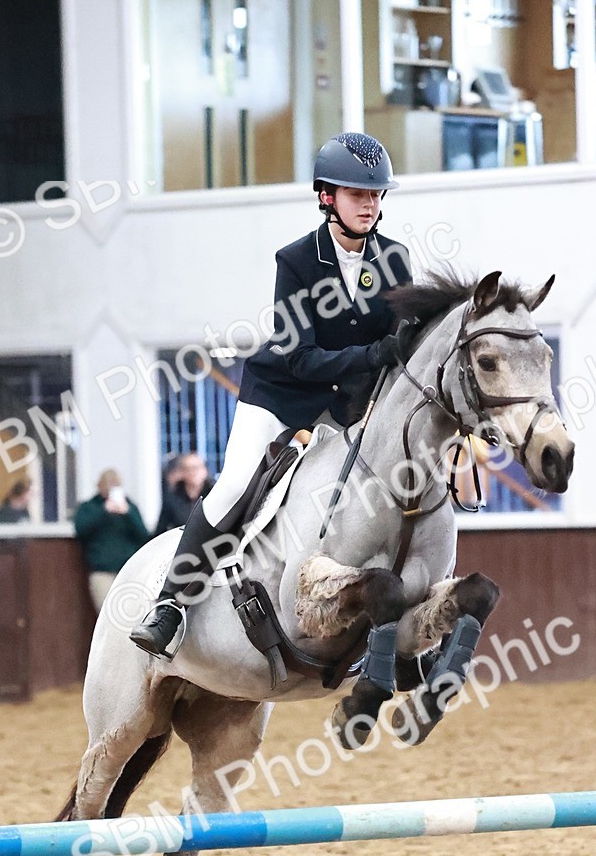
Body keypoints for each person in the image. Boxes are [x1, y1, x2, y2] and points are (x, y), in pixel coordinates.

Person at [131, 131, 415, 660]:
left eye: (376, 194)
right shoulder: (298, 260)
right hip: (282, 391)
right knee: (236, 484)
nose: (371, 204)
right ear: (327, 196)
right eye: (359, 194)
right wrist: (374, 355)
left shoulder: (395, 259)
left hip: (350, 402)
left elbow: (404, 347)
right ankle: (170, 606)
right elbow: (300, 356)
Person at [74, 469, 150, 612]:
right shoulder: (89, 507)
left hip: (128, 571)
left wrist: (128, 514)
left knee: (133, 612)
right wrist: (104, 511)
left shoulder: (129, 507)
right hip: (102, 571)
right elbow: (81, 530)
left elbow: (143, 535)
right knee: (108, 612)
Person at [155, 451, 214, 535]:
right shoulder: (173, 499)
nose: (192, 472)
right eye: (187, 469)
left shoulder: (214, 495)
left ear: (205, 470)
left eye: (196, 468)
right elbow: (160, 530)